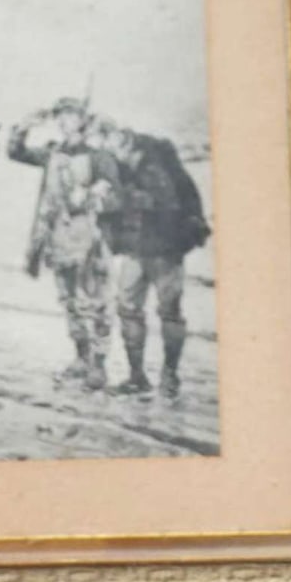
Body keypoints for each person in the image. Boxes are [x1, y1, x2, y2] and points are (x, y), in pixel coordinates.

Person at [8, 97, 122, 390]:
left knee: (94, 303)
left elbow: (116, 199)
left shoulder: (101, 157)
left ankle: (98, 365)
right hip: (57, 239)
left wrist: (92, 195)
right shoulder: (52, 153)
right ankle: (81, 358)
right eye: (59, 117)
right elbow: (16, 153)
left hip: (90, 241)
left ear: (82, 120)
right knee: (69, 301)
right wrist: (23, 127)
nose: (62, 122)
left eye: (69, 116)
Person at [105, 125, 211, 398]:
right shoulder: (129, 169)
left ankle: (168, 376)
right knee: (129, 308)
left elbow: (165, 203)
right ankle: (141, 375)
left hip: (165, 250)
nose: (114, 154)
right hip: (137, 249)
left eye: (116, 147)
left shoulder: (155, 167)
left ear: (129, 145)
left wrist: (123, 199)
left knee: (166, 311)